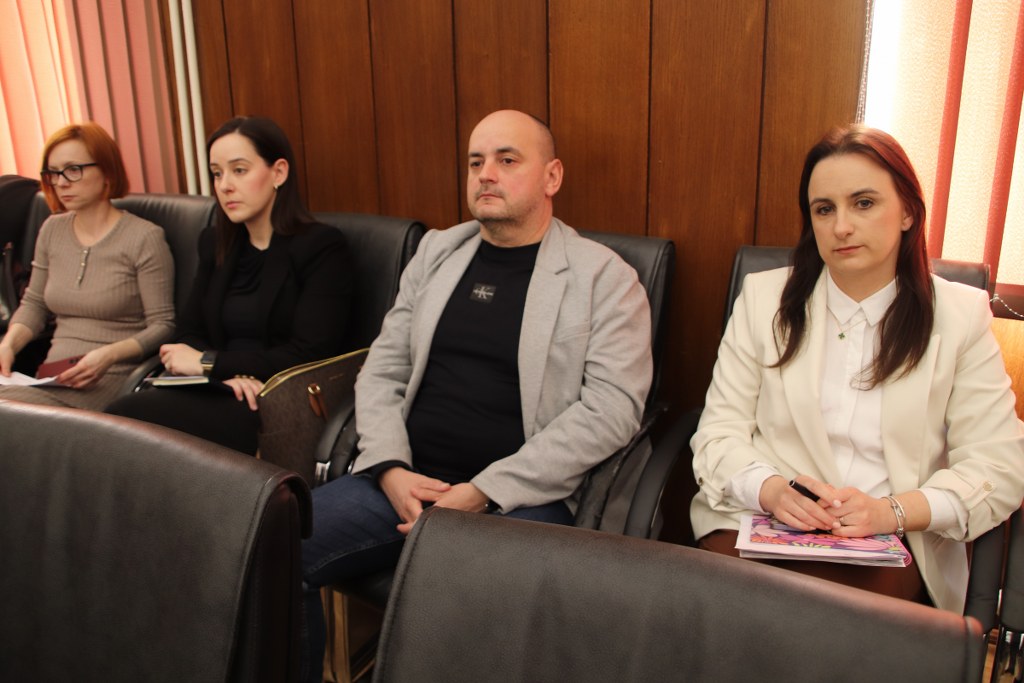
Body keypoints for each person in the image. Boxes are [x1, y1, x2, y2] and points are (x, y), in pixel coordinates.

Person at [299, 110, 653, 681]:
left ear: (552, 177)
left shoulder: (604, 279)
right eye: (475, 162)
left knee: (452, 606)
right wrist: (389, 467)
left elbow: (612, 411)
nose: (486, 173)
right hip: (403, 482)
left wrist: (484, 491)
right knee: (271, 545)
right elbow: (383, 369)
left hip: (520, 499)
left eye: (507, 160)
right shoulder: (437, 252)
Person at [691, 124, 1024, 613]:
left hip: (890, 542)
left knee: (833, 626)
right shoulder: (764, 299)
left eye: (863, 203)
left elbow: (998, 465)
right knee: (715, 613)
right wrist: (772, 490)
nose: (841, 227)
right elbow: (718, 433)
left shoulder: (959, 316)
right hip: (762, 524)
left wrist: (891, 512)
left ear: (908, 212)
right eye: (824, 209)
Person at [106, 116, 352, 454]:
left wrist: (211, 363)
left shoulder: (322, 247)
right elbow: (189, 332)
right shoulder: (216, 243)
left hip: (277, 400)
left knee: (128, 426)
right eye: (217, 173)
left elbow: (308, 354)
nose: (224, 186)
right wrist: (223, 376)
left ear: (278, 173)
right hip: (221, 388)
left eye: (239, 170)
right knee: (116, 421)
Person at [0, 123, 174, 410]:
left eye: (73, 169)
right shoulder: (52, 229)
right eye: (54, 172)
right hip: (51, 379)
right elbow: (34, 304)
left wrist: (108, 356)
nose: (61, 182)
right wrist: (8, 345)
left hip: (107, 379)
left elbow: (164, 325)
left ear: (107, 171)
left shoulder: (144, 238)